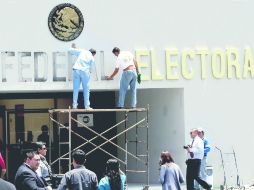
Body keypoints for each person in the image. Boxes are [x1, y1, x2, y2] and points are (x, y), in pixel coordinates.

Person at [69, 43, 96, 109]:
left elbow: (71, 50)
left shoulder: (83, 51)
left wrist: (73, 47)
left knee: (75, 89)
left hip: (77, 70)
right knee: (86, 89)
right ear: (93, 54)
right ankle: (87, 106)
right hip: (85, 71)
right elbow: (90, 69)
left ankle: (74, 106)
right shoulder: (92, 58)